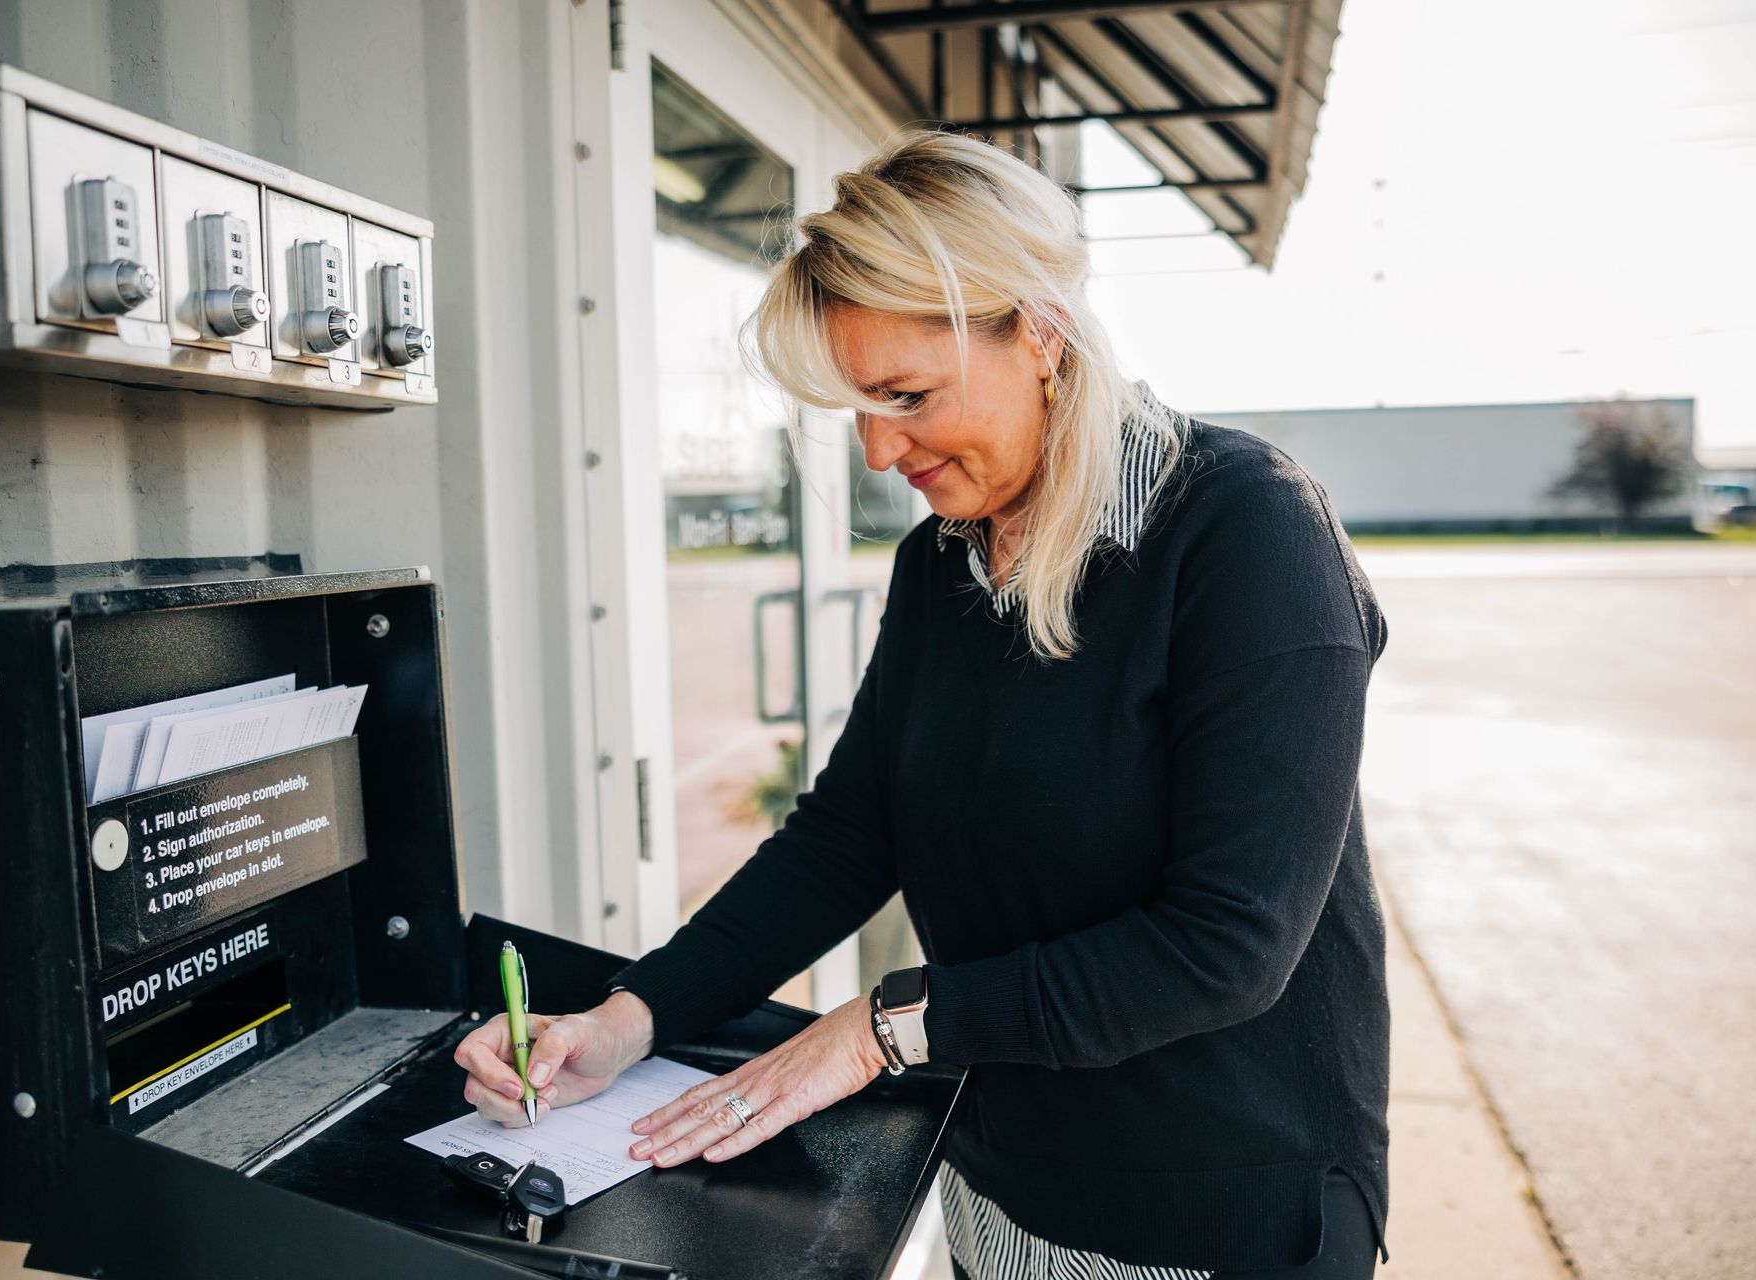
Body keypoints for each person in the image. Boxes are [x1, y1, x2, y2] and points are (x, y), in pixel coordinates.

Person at [455, 130, 1391, 1279]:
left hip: (1219, 1210)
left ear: (1039, 331)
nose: (880, 447)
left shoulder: (1247, 533)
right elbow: (851, 836)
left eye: (907, 395)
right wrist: (625, 1020)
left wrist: (885, 1025)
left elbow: (1231, 943)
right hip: (996, 1180)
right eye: (859, 403)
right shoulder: (944, 562)